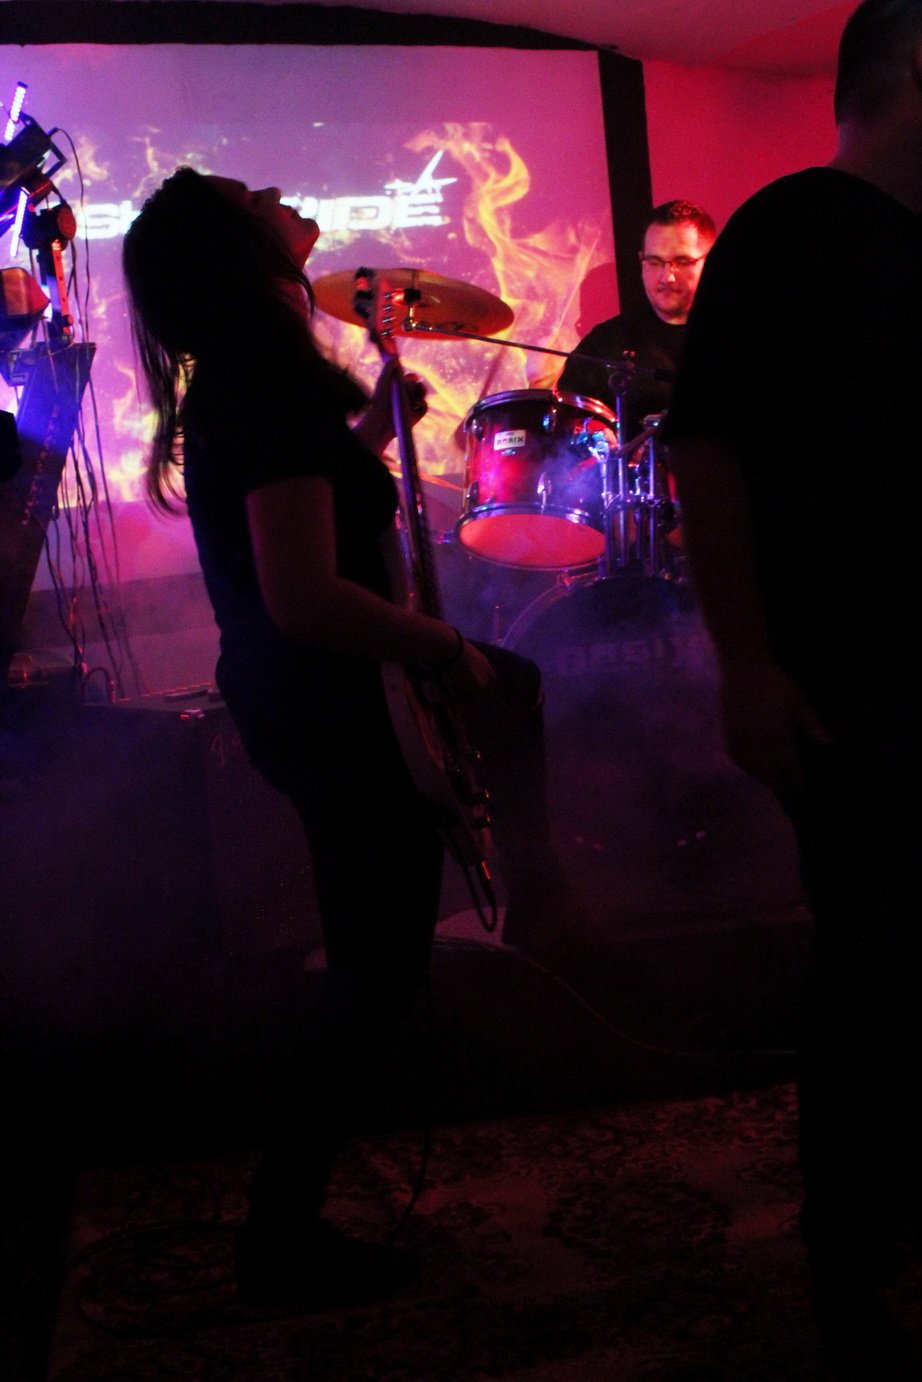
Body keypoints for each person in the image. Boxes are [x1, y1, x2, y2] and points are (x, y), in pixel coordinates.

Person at [121, 168, 571, 1310]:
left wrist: (368, 431)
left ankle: (287, 1217)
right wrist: (439, 646)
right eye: (250, 194)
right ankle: (281, 1232)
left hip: (310, 700)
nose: (277, 190)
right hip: (329, 702)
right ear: (241, 254)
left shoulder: (253, 377)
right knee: (372, 975)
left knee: (375, 963)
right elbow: (305, 594)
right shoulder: (266, 378)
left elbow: (301, 512)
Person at [663, 2, 922, 1374]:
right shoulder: (790, 230)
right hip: (852, 684)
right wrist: (746, 663)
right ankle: (852, 1266)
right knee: (876, 967)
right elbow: (707, 449)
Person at [557, 199, 717, 445]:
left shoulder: (737, 334)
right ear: (641, 262)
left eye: (682, 262)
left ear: (711, 262)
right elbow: (567, 422)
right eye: (654, 262)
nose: (667, 277)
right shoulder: (604, 343)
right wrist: (591, 432)